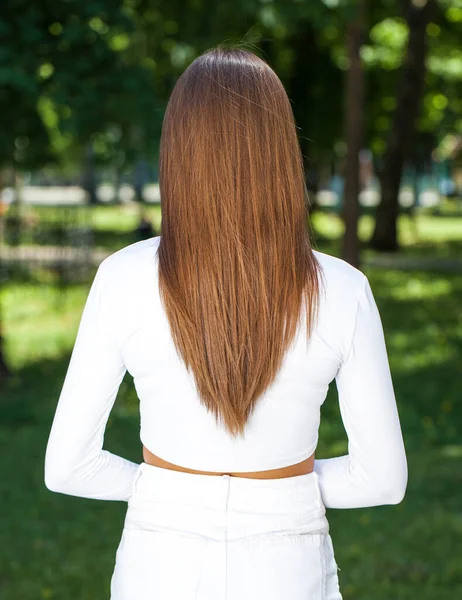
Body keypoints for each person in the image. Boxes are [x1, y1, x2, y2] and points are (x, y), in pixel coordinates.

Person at [44, 45, 408, 600]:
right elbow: (382, 480)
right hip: (291, 567)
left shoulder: (122, 277)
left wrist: (172, 488)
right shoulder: (343, 289)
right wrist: (277, 488)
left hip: (157, 564)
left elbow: (67, 468)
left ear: (178, 152)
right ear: (281, 152)